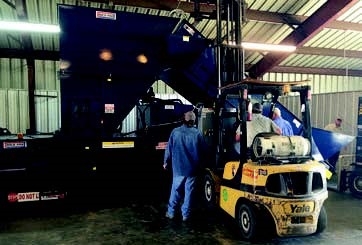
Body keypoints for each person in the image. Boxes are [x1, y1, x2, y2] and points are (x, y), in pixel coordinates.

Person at [163, 110, 207, 222]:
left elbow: (169, 149)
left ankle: (171, 212)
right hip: (192, 169)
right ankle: (185, 215)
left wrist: (165, 162)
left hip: (178, 168)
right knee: (189, 192)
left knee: (175, 190)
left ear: (184, 119)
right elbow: (204, 151)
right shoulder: (197, 133)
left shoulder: (175, 132)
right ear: (194, 120)